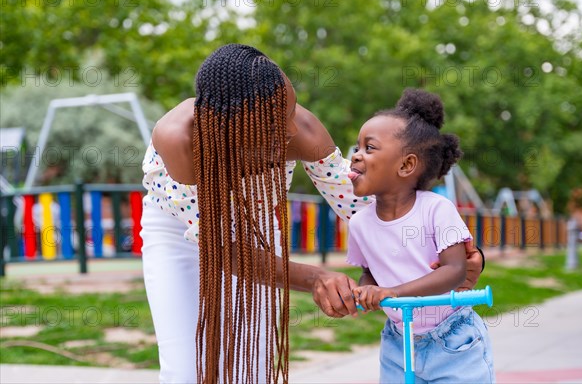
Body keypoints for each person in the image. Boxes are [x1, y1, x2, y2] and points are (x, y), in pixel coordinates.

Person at [141, 44, 485, 383]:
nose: (292, 130)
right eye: (278, 122)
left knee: (255, 371)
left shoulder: (301, 131)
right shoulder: (181, 141)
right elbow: (221, 248)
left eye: (291, 111)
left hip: (257, 229)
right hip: (179, 233)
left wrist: (451, 253)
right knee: (187, 370)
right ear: (237, 126)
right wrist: (316, 278)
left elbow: (369, 205)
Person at [347, 88, 495, 383]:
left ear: (406, 165)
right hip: (397, 342)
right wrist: (365, 291)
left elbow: (455, 271)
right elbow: (369, 273)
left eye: (369, 148)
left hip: (453, 339)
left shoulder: (436, 209)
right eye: (357, 148)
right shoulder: (359, 223)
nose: (356, 156)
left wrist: (393, 293)